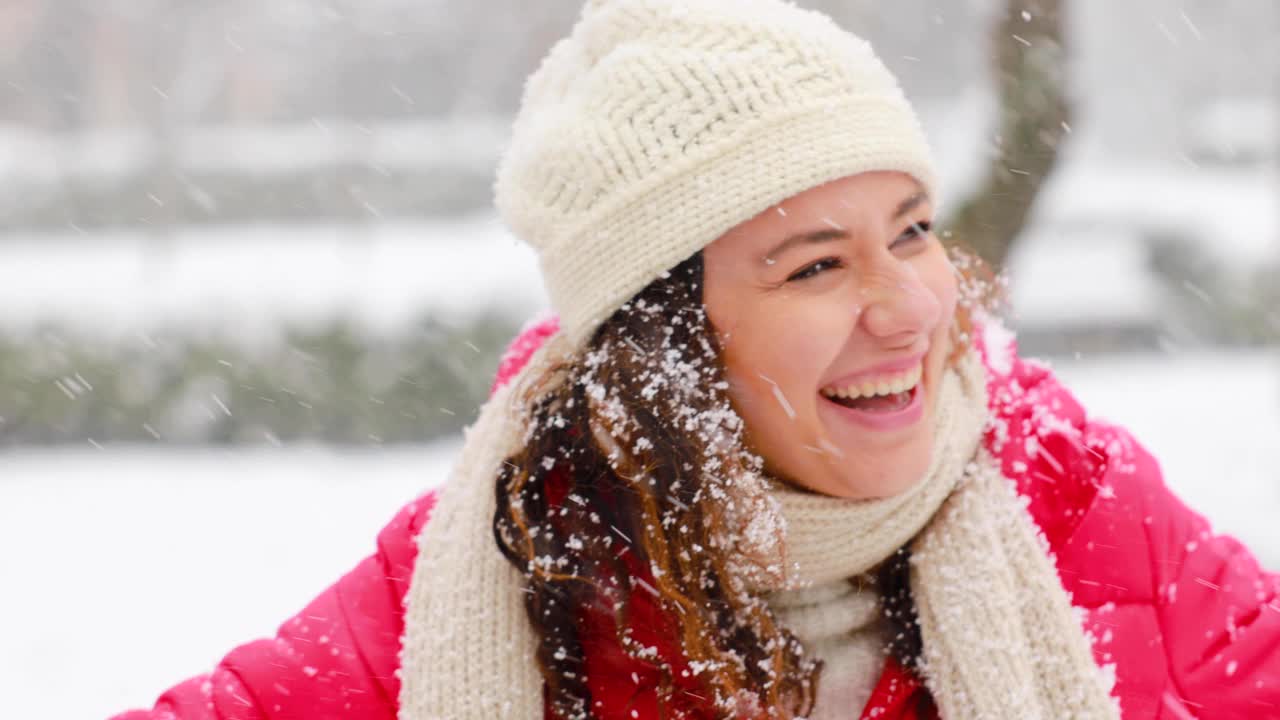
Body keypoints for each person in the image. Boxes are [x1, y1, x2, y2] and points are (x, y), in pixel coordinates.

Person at [113, 1, 1280, 718]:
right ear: (661, 339)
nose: (906, 309)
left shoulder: (1063, 488)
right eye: (814, 266)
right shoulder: (514, 552)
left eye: (912, 231)